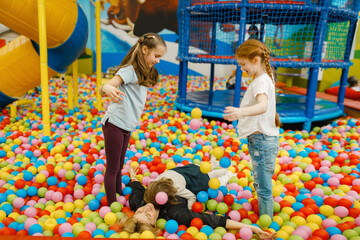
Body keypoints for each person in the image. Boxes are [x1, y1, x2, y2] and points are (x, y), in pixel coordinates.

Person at [119, 164, 276, 240]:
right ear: (154, 223)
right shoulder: (175, 214)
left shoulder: (138, 203)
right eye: (147, 215)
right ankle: (227, 175)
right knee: (216, 178)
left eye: (139, 212)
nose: (146, 209)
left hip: (175, 173)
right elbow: (211, 219)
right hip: (190, 181)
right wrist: (251, 227)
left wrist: (132, 176)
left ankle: (215, 166)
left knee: (205, 169)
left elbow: (136, 188)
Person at [99, 33, 167, 206]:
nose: (158, 60)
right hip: (114, 123)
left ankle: (118, 192)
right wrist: (106, 88)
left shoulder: (144, 71)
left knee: (120, 164)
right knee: (113, 166)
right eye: (156, 56)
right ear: (144, 50)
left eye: (160, 57)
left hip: (126, 126)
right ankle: (112, 203)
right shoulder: (129, 70)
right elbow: (106, 86)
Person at [223, 39, 280, 219]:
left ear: (256, 59)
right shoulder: (264, 78)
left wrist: (241, 112)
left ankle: (267, 225)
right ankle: (266, 217)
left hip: (262, 142)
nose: (242, 69)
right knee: (261, 183)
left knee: (263, 188)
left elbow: (263, 106)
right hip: (261, 141)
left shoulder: (260, 81)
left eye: (243, 64)